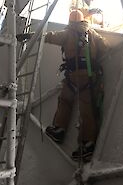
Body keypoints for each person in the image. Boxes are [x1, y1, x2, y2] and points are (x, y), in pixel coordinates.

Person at [44, 10, 109, 162]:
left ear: (70, 21)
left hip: (72, 76)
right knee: (87, 109)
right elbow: (105, 47)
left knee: (65, 100)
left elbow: (50, 37)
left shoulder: (68, 32)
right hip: (89, 76)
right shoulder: (92, 33)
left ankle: (59, 129)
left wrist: (32, 36)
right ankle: (87, 144)